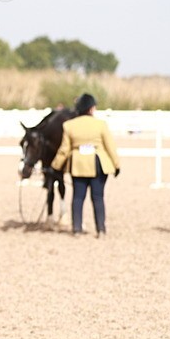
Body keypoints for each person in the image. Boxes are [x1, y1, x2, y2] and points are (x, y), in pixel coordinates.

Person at [51, 93, 121, 237]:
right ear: (91, 109)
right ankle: (100, 229)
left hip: (78, 164)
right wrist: (116, 164)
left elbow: (64, 149)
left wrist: (56, 166)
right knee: (98, 197)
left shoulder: (69, 126)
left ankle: (77, 228)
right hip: (98, 163)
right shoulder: (101, 124)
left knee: (78, 197)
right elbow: (110, 147)